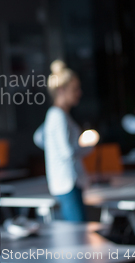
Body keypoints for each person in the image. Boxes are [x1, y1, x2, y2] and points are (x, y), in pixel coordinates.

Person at [34, 60, 97, 222]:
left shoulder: (56, 115)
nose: (79, 93)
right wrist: (88, 146)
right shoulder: (58, 116)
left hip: (66, 182)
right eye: (75, 89)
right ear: (61, 90)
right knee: (79, 233)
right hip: (68, 182)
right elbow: (67, 152)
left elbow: (39, 137)